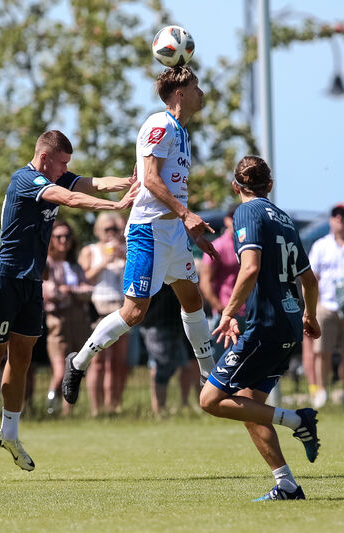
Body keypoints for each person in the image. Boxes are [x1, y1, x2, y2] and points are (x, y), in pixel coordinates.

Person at [0, 130, 137, 470]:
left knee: (22, 358)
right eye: (62, 163)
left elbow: (94, 183)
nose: (65, 170)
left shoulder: (57, 175)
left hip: (30, 282)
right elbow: (71, 200)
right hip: (4, 279)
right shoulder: (27, 179)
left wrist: (129, 181)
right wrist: (115, 206)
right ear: (45, 159)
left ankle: (9, 433)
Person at [62, 66, 219, 405]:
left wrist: (188, 228)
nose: (201, 92)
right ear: (179, 93)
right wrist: (186, 215)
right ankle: (77, 362)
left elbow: (170, 185)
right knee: (134, 313)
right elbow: (150, 178)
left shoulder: (182, 131)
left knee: (193, 300)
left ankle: (210, 378)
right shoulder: (159, 124)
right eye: (196, 86)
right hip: (148, 231)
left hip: (174, 233)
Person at [199, 156, 321, 501]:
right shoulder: (285, 219)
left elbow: (249, 268)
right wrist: (310, 316)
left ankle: (298, 421)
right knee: (250, 407)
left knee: (210, 399)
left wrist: (228, 312)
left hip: (264, 325)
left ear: (236, 186)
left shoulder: (247, 213)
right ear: (270, 185)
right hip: (289, 324)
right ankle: (287, 485)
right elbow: (309, 280)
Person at [77, 213, 129, 416]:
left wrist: (121, 255)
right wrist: (103, 262)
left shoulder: (125, 250)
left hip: (121, 307)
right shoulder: (90, 250)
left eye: (116, 229)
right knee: (97, 361)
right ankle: (95, 409)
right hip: (98, 308)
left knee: (117, 361)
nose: (112, 233)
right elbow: (83, 279)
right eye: (108, 229)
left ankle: (114, 405)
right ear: (98, 230)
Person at [307, 204, 344, 407]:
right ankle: (322, 391)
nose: (340, 219)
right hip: (326, 305)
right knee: (322, 352)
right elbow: (312, 278)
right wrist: (315, 305)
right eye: (336, 215)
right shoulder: (321, 246)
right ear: (331, 220)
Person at [43, 221, 93, 416]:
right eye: (58, 237)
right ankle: (49, 409)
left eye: (67, 237)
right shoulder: (46, 263)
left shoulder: (75, 265)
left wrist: (70, 290)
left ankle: (67, 413)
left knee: (76, 370)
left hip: (80, 321)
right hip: (58, 322)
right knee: (59, 371)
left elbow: (89, 291)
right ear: (51, 240)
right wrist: (72, 293)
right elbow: (48, 291)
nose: (63, 241)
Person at [139, 283, 199, 415]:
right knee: (161, 369)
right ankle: (159, 410)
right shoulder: (154, 266)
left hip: (176, 322)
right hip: (156, 323)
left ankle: (165, 408)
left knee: (175, 367)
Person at [199, 206, 245, 359]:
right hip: (226, 313)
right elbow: (205, 282)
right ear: (226, 220)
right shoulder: (218, 246)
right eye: (233, 218)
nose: (236, 222)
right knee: (223, 363)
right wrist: (220, 308)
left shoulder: (248, 244)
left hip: (250, 312)